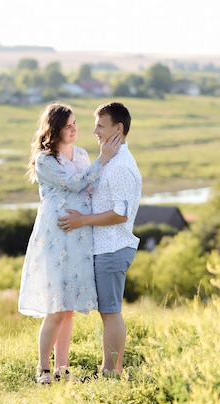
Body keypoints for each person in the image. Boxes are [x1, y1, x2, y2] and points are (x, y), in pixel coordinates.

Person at [18, 101, 121, 384]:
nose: (75, 130)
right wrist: (103, 160)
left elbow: (90, 186)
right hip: (56, 233)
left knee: (68, 306)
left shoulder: (82, 154)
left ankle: (63, 369)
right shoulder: (45, 159)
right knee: (55, 306)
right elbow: (75, 184)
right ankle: (43, 369)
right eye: (68, 126)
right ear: (55, 129)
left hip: (79, 235)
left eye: (75, 124)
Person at [58, 102, 142, 378]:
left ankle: (110, 372)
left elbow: (120, 214)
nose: (94, 131)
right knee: (108, 311)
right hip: (107, 248)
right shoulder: (112, 161)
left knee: (111, 313)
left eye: (100, 125)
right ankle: (110, 370)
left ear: (119, 128)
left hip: (113, 248)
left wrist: (82, 220)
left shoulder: (120, 166)